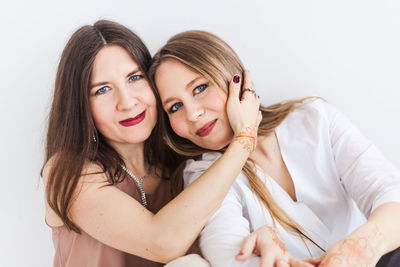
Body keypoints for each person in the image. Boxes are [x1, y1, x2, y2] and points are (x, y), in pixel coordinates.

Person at [149, 30, 400, 267]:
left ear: (234, 78)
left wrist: (358, 249)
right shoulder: (204, 175)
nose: (193, 113)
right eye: (174, 107)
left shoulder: (314, 119)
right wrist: (243, 138)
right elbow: (228, 255)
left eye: (200, 88)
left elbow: (390, 194)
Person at [42, 20, 264, 267]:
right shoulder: (67, 172)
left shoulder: (183, 166)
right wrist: (244, 139)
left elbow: (221, 246)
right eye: (103, 90)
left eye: (135, 77)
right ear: (82, 106)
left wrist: (263, 235)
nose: (126, 102)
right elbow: (162, 242)